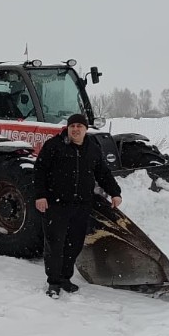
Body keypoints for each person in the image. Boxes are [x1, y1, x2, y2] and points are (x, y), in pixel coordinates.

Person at [33, 113, 122, 298]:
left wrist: (115, 192)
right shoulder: (54, 145)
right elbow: (40, 170)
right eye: (72, 126)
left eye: (79, 126)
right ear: (67, 128)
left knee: (74, 245)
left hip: (81, 206)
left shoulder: (92, 148)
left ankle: (66, 278)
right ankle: (53, 282)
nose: (75, 129)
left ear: (85, 129)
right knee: (55, 245)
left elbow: (102, 172)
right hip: (56, 205)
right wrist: (40, 195)